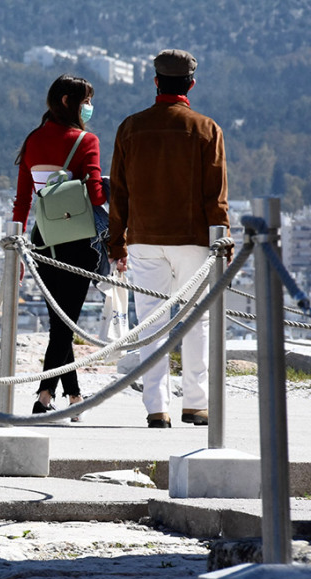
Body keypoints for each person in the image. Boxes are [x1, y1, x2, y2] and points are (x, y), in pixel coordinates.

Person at [109, 49, 229, 428]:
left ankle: (156, 407)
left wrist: (117, 243)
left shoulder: (130, 128)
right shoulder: (207, 129)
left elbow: (119, 193)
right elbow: (216, 196)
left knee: (149, 324)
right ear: (191, 84)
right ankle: (196, 404)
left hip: (144, 239)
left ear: (156, 81)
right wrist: (221, 242)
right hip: (194, 241)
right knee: (198, 321)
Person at [12, 74, 107, 419]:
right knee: (64, 325)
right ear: (68, 101)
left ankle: (75, 397)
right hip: (76, 243)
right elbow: (96, 195)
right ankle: (43, 396)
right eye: (86, 101)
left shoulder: (33, 140)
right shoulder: (86, 141)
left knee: (59, 324)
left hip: (41, 241)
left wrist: (19, 250)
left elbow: (22, 201)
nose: (89, 108)